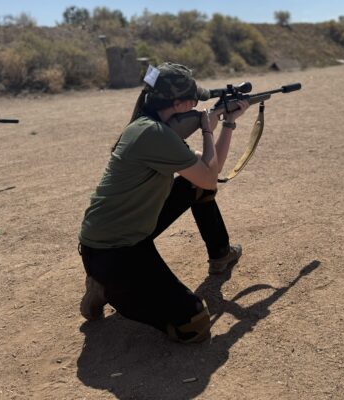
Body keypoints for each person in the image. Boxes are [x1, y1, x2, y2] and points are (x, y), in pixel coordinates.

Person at [78, 62, 249, 343]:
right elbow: (209, 177)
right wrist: (210, 127)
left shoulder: (151, 127)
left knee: (194, 186)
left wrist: (225, 122)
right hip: (113, 250)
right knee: (193, 325)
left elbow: (207, 174)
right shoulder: (154, 134)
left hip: (125, 232)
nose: (197, 106)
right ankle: (104, 288)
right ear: (181, 104)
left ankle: (220, 254)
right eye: (194, 101)